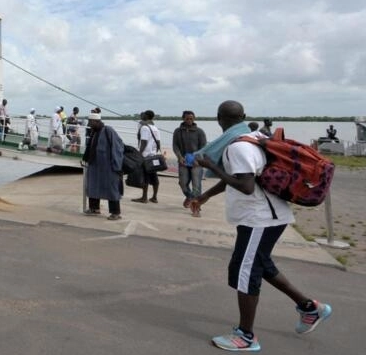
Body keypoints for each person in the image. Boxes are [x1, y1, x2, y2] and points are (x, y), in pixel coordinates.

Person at [191, 100, 332, 351]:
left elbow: (245, 186)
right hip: (270, 216)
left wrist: (211, 166)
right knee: (262, 265)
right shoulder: (255, 137)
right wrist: (204, 196)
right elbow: (241, 178)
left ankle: (246, 336)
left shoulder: (236, 147)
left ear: (218, 119)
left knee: (245, 271)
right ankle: (310, 308)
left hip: (259, 219)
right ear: (244, 116)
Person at [82, 112, 124, 220]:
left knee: (111, 188)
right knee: (92, 186)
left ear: (97, 121)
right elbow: (90, 146)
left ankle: (115, 213)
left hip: (108, 167)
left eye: (91, 122)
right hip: (95, 165)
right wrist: (85, 159)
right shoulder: (94, 132)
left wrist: (116, 163)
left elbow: (118, 146)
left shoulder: (108, 130)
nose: (89, 124)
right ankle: (94, 208)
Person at [173, 110, 208, 215]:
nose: (189, 120)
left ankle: (196, 207)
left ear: (194, 119)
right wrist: (179, 157)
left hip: (196, 162)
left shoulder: (199, 132)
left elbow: (203, 147)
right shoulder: (178, 131)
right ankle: (190, 197)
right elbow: (175, 146)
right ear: (183, 118)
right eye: (187, 118)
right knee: (182, 183)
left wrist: (198, 159)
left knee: (196, 185)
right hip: (183, 161)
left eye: (191, 118)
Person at [132, 110, 161, 203]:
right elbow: (158, 143)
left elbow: (143, 142)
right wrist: (155, 153)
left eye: (143, 114)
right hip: (153, 155)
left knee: (145, 177)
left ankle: (144, 198)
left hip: (146, 156)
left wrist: (139, 154)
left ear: (146, 116)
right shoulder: (155, 128)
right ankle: (154, 197)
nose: (141, 115)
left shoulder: (144, 127)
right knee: (154, 176)